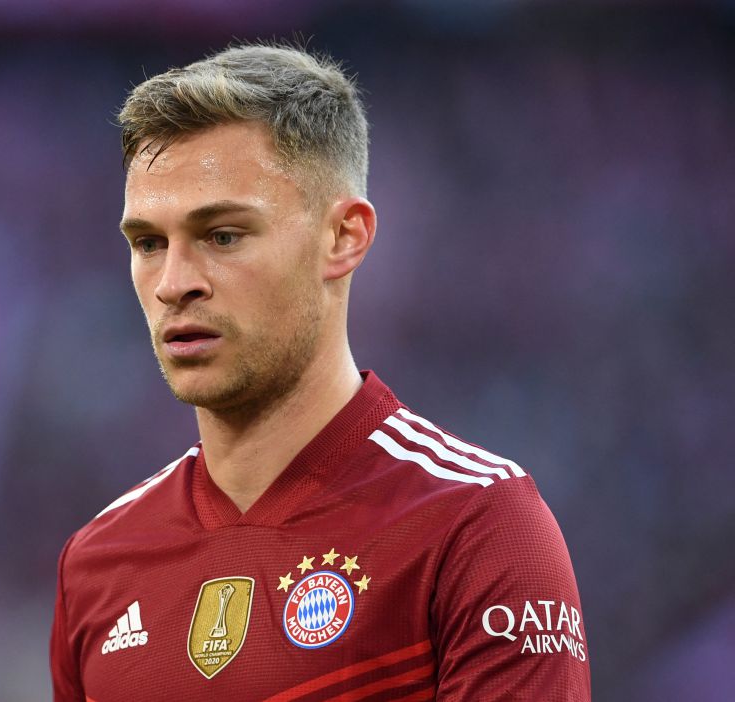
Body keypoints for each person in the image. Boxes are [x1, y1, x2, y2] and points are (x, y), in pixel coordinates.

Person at [50, 43, 591, 701]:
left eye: (223, 235)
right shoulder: (97, 563)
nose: (173, 283)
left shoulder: (476, 524)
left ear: (344, 238)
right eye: (149, 243)